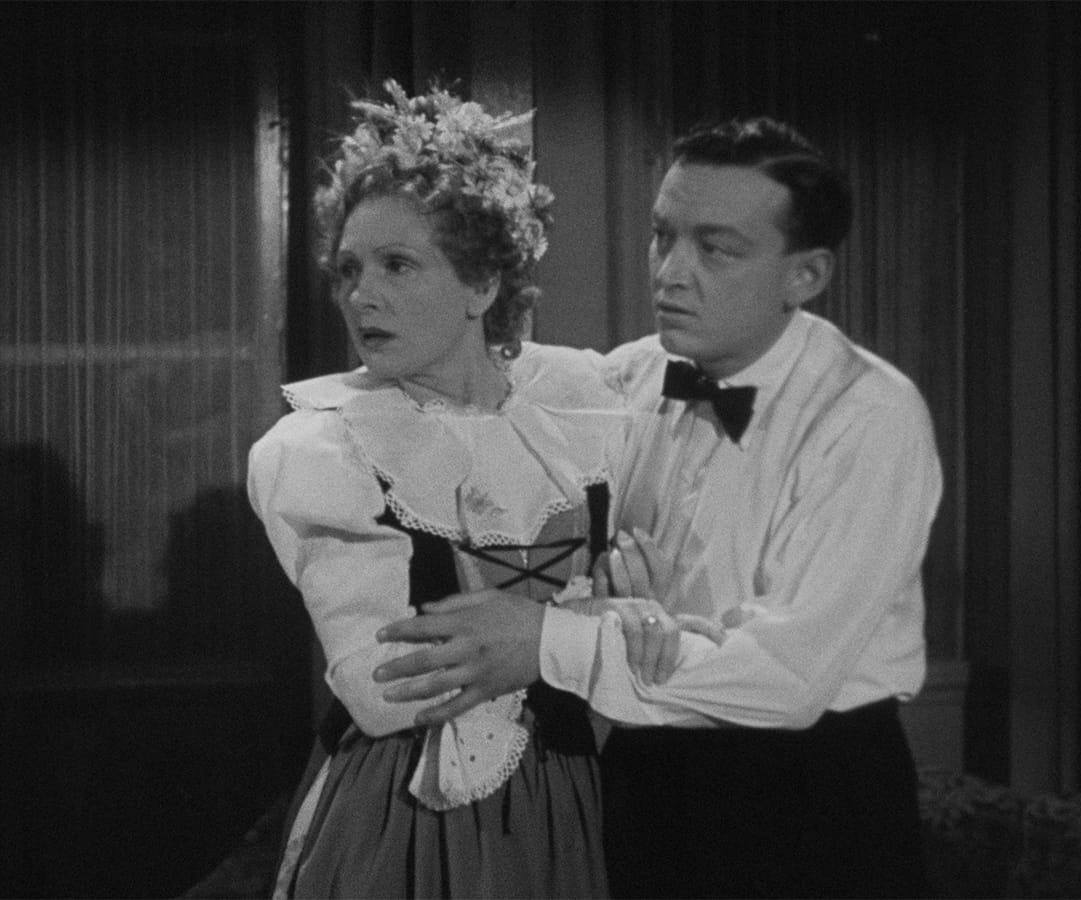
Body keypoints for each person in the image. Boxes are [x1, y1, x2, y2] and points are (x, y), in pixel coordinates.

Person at [373, 116, 943, 898]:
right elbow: (472, 387)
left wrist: (552, 640)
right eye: (662, 236)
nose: (671, 273)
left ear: (805, 275)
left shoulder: (869, 414)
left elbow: (786, 677)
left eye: (716, 249)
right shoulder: (626, 379)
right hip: (648, 771)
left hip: (812, 792)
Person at [246, 80, 679, 899]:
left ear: (482, 285)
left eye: (397, 265)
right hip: (411, 808)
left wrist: (597, 633)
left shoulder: (577, 406)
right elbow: (388, 687)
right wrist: (594, 633)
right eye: (348, 270)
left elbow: (655, 617)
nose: (361, 296)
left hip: (570, 794)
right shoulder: (326, 449)